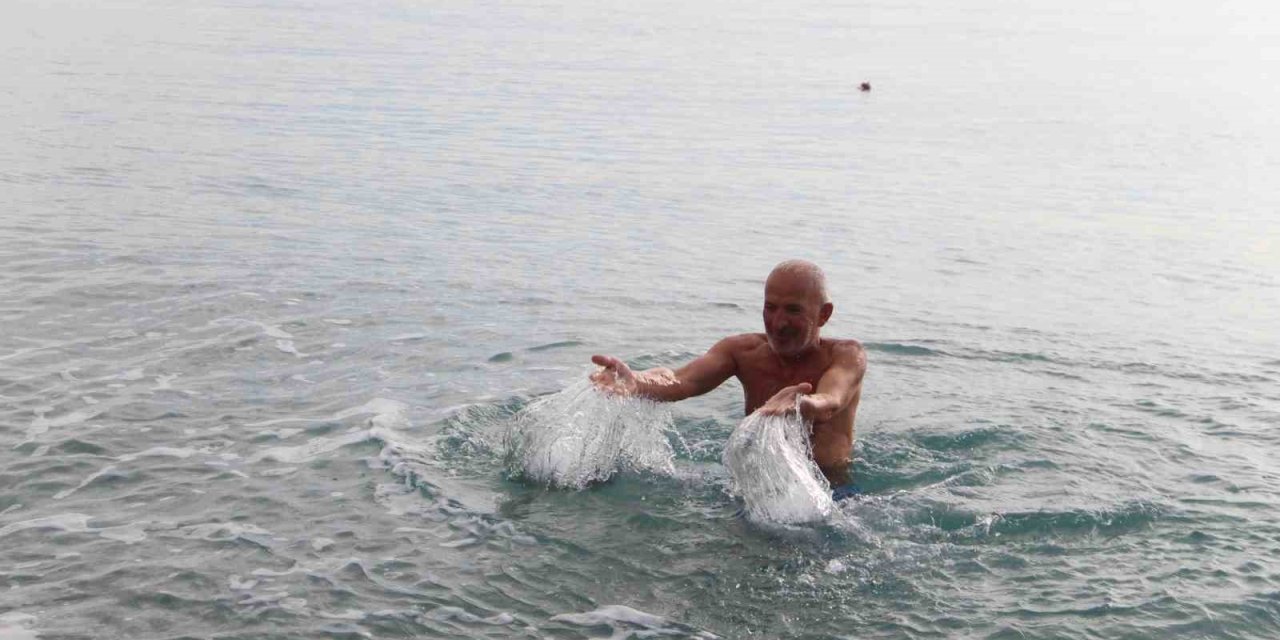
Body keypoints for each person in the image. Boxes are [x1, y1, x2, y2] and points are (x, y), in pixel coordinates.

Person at [589, 259, 867, 489]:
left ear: (823, 315)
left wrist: (800, 404)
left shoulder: (845, 355)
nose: (779, 323)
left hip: (830, 490)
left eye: (793, 310)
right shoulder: (742, 351)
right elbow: (682, 380)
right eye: (771, 308)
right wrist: (636, 381)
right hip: (756, 486)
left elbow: (831, 400)